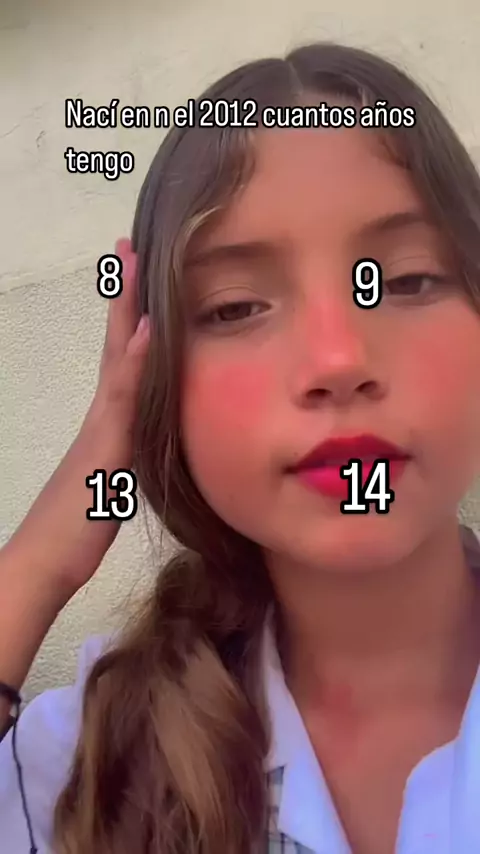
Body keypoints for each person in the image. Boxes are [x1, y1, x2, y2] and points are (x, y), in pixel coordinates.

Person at [2, 40, 480, 854]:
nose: (338, 360)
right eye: (235, 306)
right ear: (155, 381)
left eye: (404, 280)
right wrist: (46, 552)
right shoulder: (90, 756)